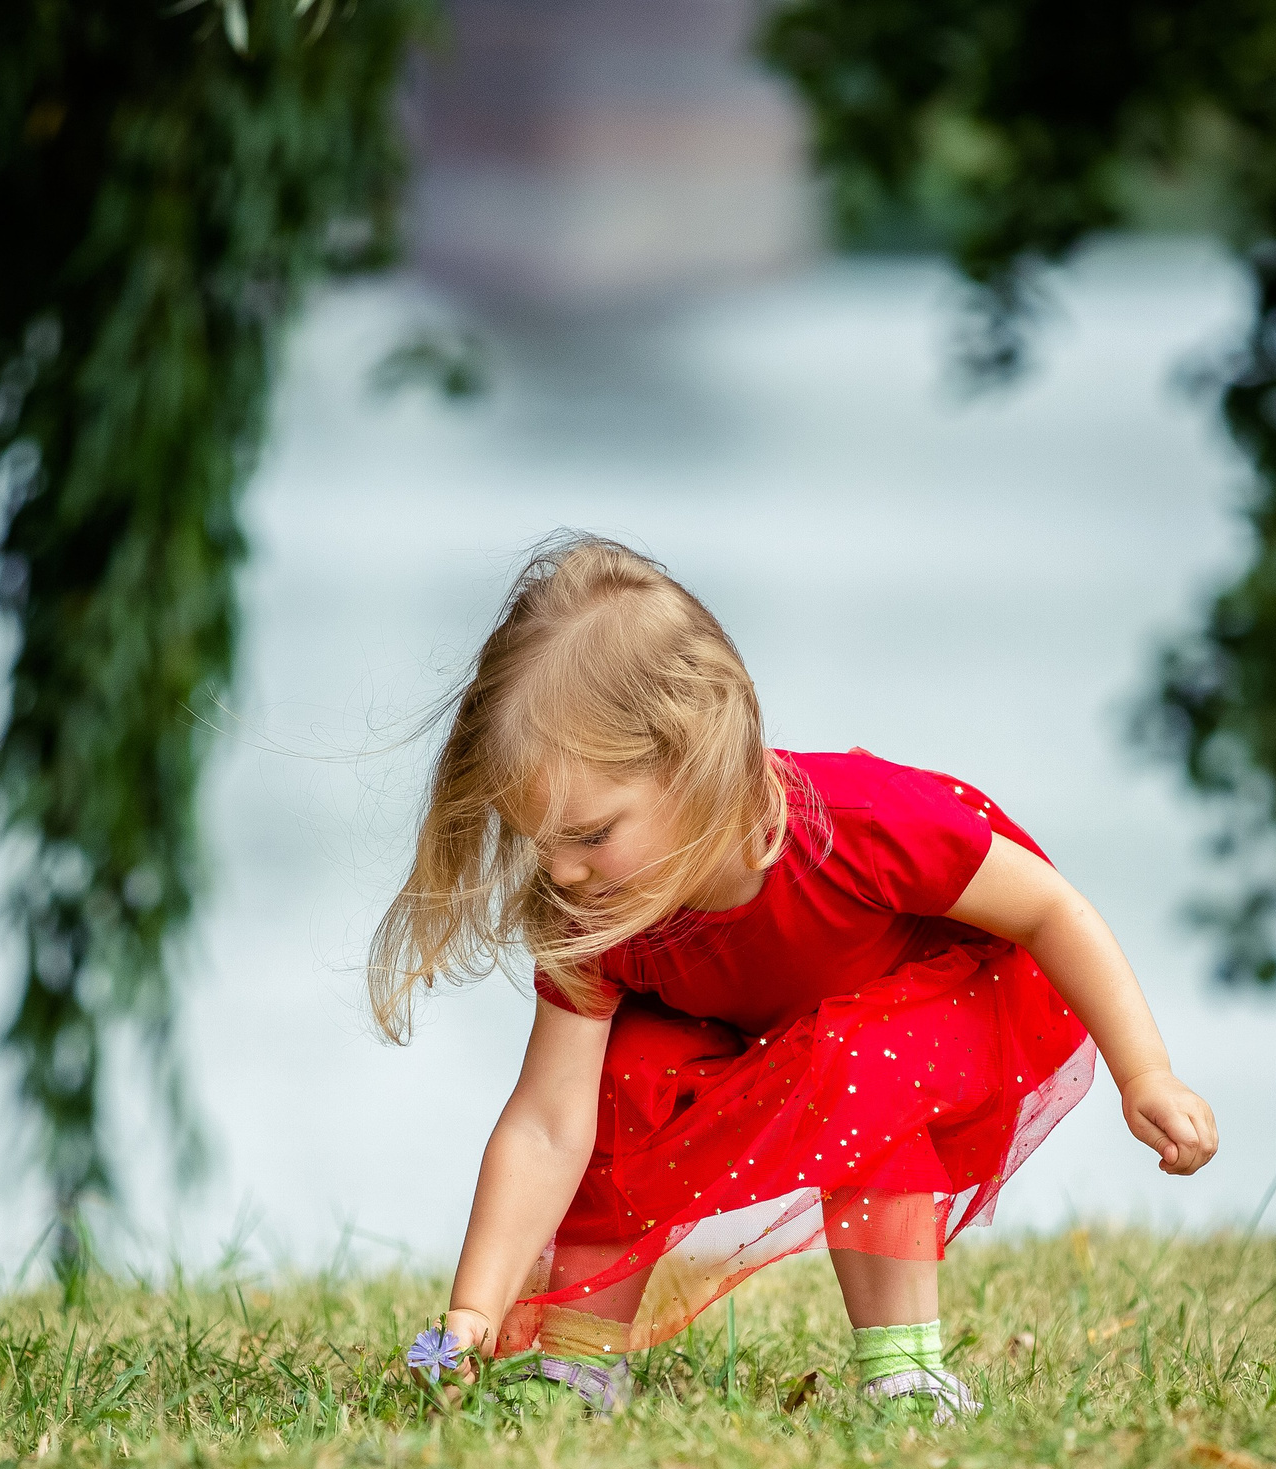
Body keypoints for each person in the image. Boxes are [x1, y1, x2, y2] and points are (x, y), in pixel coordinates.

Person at [369, 535, 1219, 1418]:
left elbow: (1049, 908)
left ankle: (906, 1371)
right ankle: (580, 1362)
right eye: (538, 841)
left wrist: (1146, 1072)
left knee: (858, 1060)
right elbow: (550, 1123)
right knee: (624, 1073)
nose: (561, 871)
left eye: (588, 834)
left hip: (929, 1013)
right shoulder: (593, 906)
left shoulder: (861, 825)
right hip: (750, 1030)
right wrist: (473, 1310)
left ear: (695, 760)